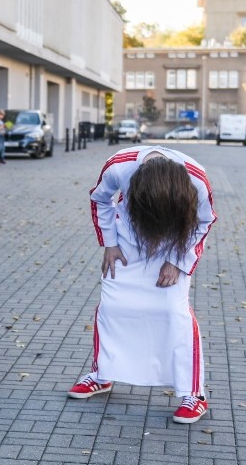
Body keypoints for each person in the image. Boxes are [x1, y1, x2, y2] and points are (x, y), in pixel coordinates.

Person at [67, 146, 217, 424]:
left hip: (174, 241)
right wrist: (110, 244)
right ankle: (102, 376)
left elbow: (205, 221)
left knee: (174, 313)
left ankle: (194, 394)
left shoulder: (196, 178)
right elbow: (100, 199)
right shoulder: (118, 166)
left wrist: (177, 261)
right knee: (112, 308)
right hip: (128, 241)